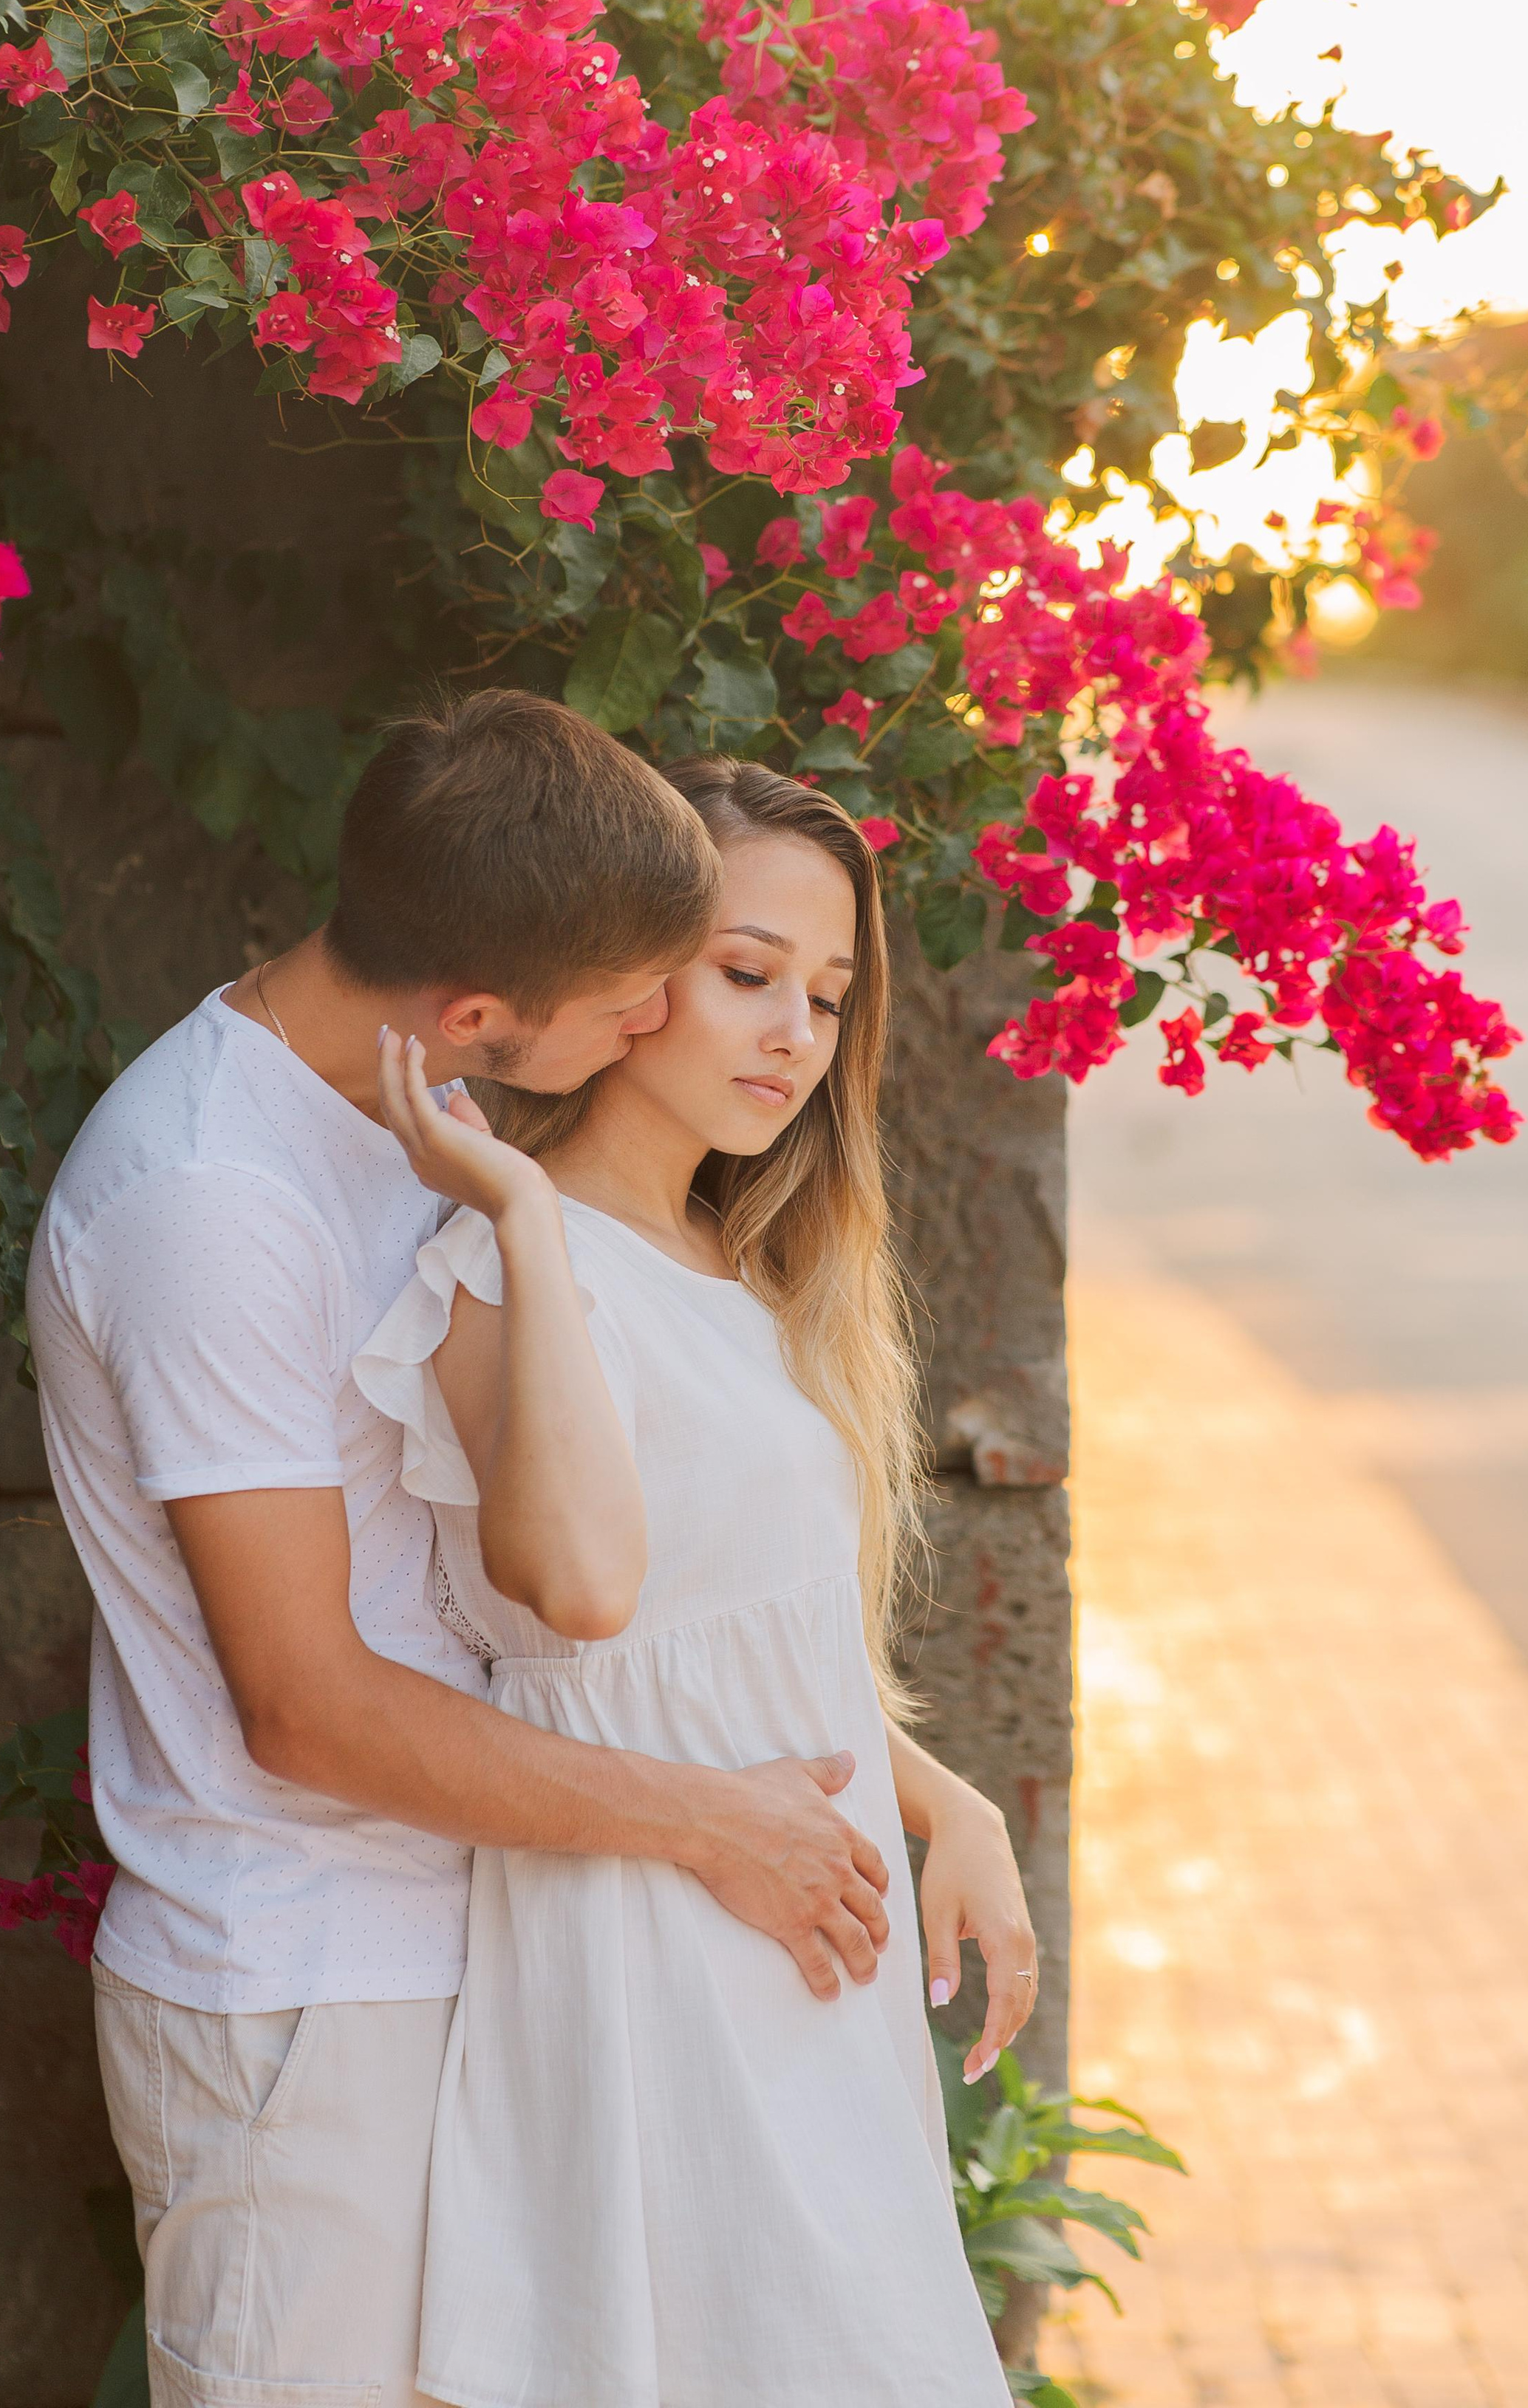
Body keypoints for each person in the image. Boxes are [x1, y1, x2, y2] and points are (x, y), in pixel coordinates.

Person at [28, 693, 909, 2408]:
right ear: (482, 1011)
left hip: (493, 1946)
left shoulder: (411, 1121)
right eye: (630, 1001)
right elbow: (305, 1706)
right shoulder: (211, 1206)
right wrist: (717, 1827)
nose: (659, 1021)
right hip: (305, 1990)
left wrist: (903, 1794)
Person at [358, 755, 1036, 2408]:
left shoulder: (746, 1275)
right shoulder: (498, 1266)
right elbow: (585, 1600)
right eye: (746, 975)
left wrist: (953, 1804)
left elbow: (747, 1648)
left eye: (824, 994)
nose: (794, 1035)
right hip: (647, 1949)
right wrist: (520, 1209)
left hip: (805, 1952)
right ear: (631, 970)